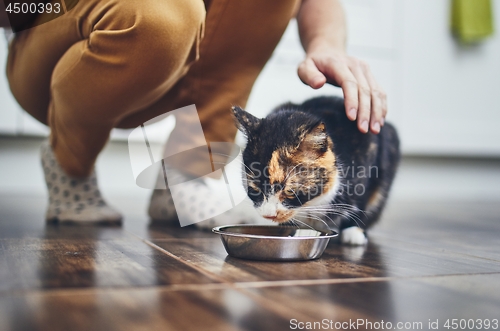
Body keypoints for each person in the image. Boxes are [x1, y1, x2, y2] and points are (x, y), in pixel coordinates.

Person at [5, 0, 387, 225]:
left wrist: (325, 45)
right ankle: (69, 160)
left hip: (177, 68)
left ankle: (187, 170)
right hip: (64, 48)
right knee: (164, 15)